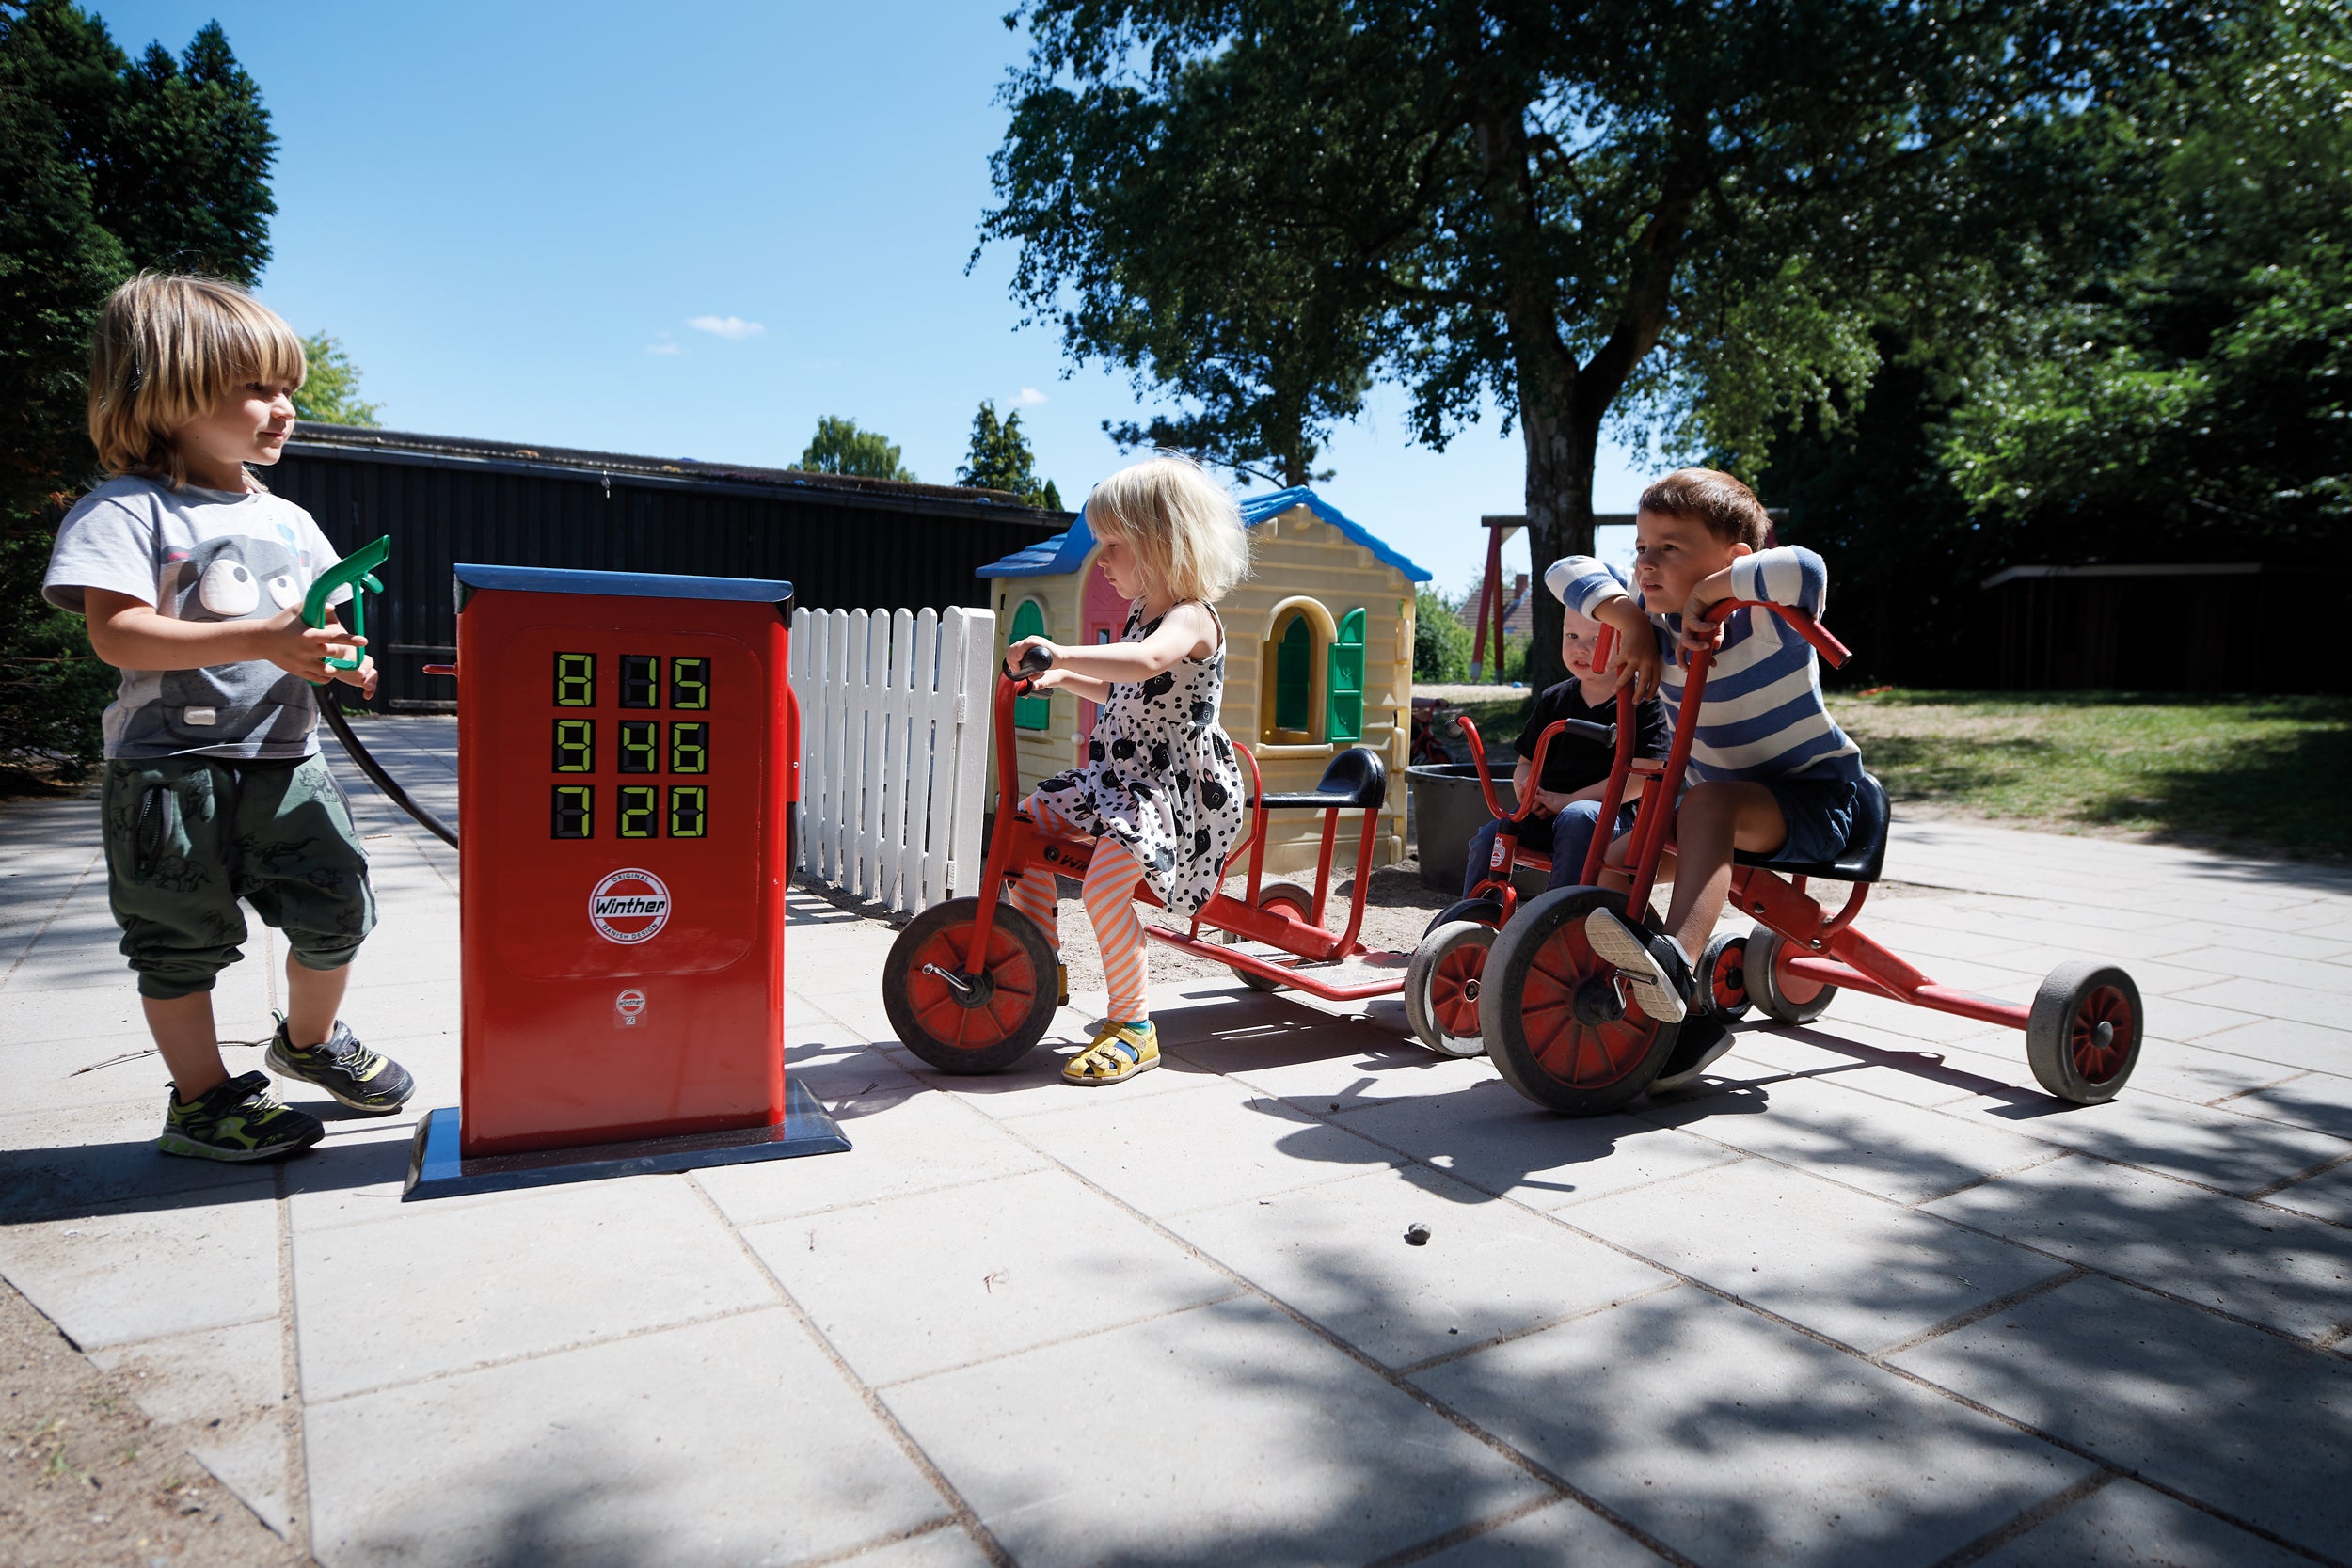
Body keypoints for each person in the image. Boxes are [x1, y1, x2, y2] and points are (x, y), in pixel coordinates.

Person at [43, 273, 415, 1160]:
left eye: (288, 389)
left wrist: (343, 657)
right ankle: (203, 1099)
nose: (282, 409)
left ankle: (310, 1042)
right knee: (178, 943)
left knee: (338, 913)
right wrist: (263, 637)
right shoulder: (127, 510)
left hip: (289, 761)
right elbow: (118, 633)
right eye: (257, 390)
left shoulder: (289, 519)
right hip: (171, 772)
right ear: (163, 391)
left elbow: (318, 624)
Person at [1546, 467, 1876, 1090]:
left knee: (1705, 806)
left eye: (1669, 548)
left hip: (1816, 801)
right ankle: (1677, 1018)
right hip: (1721, 805)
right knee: (1618, 857)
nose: (1646, 563)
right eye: (1641, 548)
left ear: (1735, 558)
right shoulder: (1654, 619)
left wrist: (1716, 592)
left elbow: (1804, 568)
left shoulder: (1766, 613)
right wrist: (1629, 617)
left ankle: (1678, 960)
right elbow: (1563, 570)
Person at [1001, 455, 1251, 1085]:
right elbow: (1121, 693)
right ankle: (1039, 959)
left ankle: (1135, 1026)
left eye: (1113, 544)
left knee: (1102, 887)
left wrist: (1060, 649)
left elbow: (1143, 664)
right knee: (1029, 819)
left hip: (1164, 794)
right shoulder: (1144, 612)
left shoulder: (1190, 618)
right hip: (1116, 779)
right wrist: (1058, 676)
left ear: (1164, 543)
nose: (1102, 559)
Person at [1459, 594, 1669, 901]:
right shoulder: (1554, 699)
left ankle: (1555, 917)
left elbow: (1643, 777)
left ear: (1627, 642)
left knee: (1577, 816)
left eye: (1596, 638)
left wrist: (1568, 799)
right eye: (1571, 636)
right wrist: (1528, 791)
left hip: (1614, 818)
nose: (1580, 648)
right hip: (1548, 810)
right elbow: (1526, 762)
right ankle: (1473, 918)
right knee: (1493, 835)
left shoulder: (1643, 700)